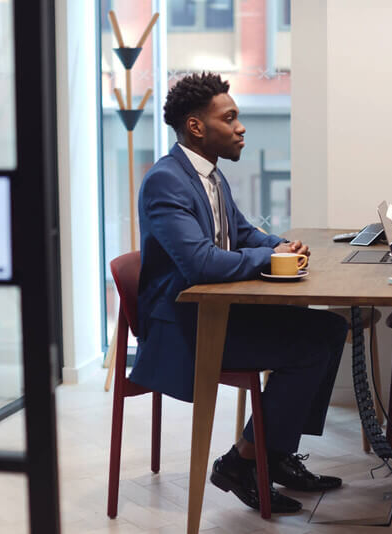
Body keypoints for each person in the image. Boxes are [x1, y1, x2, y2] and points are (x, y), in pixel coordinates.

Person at [131, 72, 349, 514]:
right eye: (229, 118)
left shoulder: (210, 176)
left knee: (330, 327)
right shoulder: (166, 181)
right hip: (186, 328)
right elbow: (200, 262)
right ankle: (242, 462)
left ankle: (274, 454)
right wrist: (270, 261)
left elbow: (242, 232)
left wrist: (280, 246)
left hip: (218, 315)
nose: (241, 127)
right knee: (308, 346)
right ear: (196, 127)